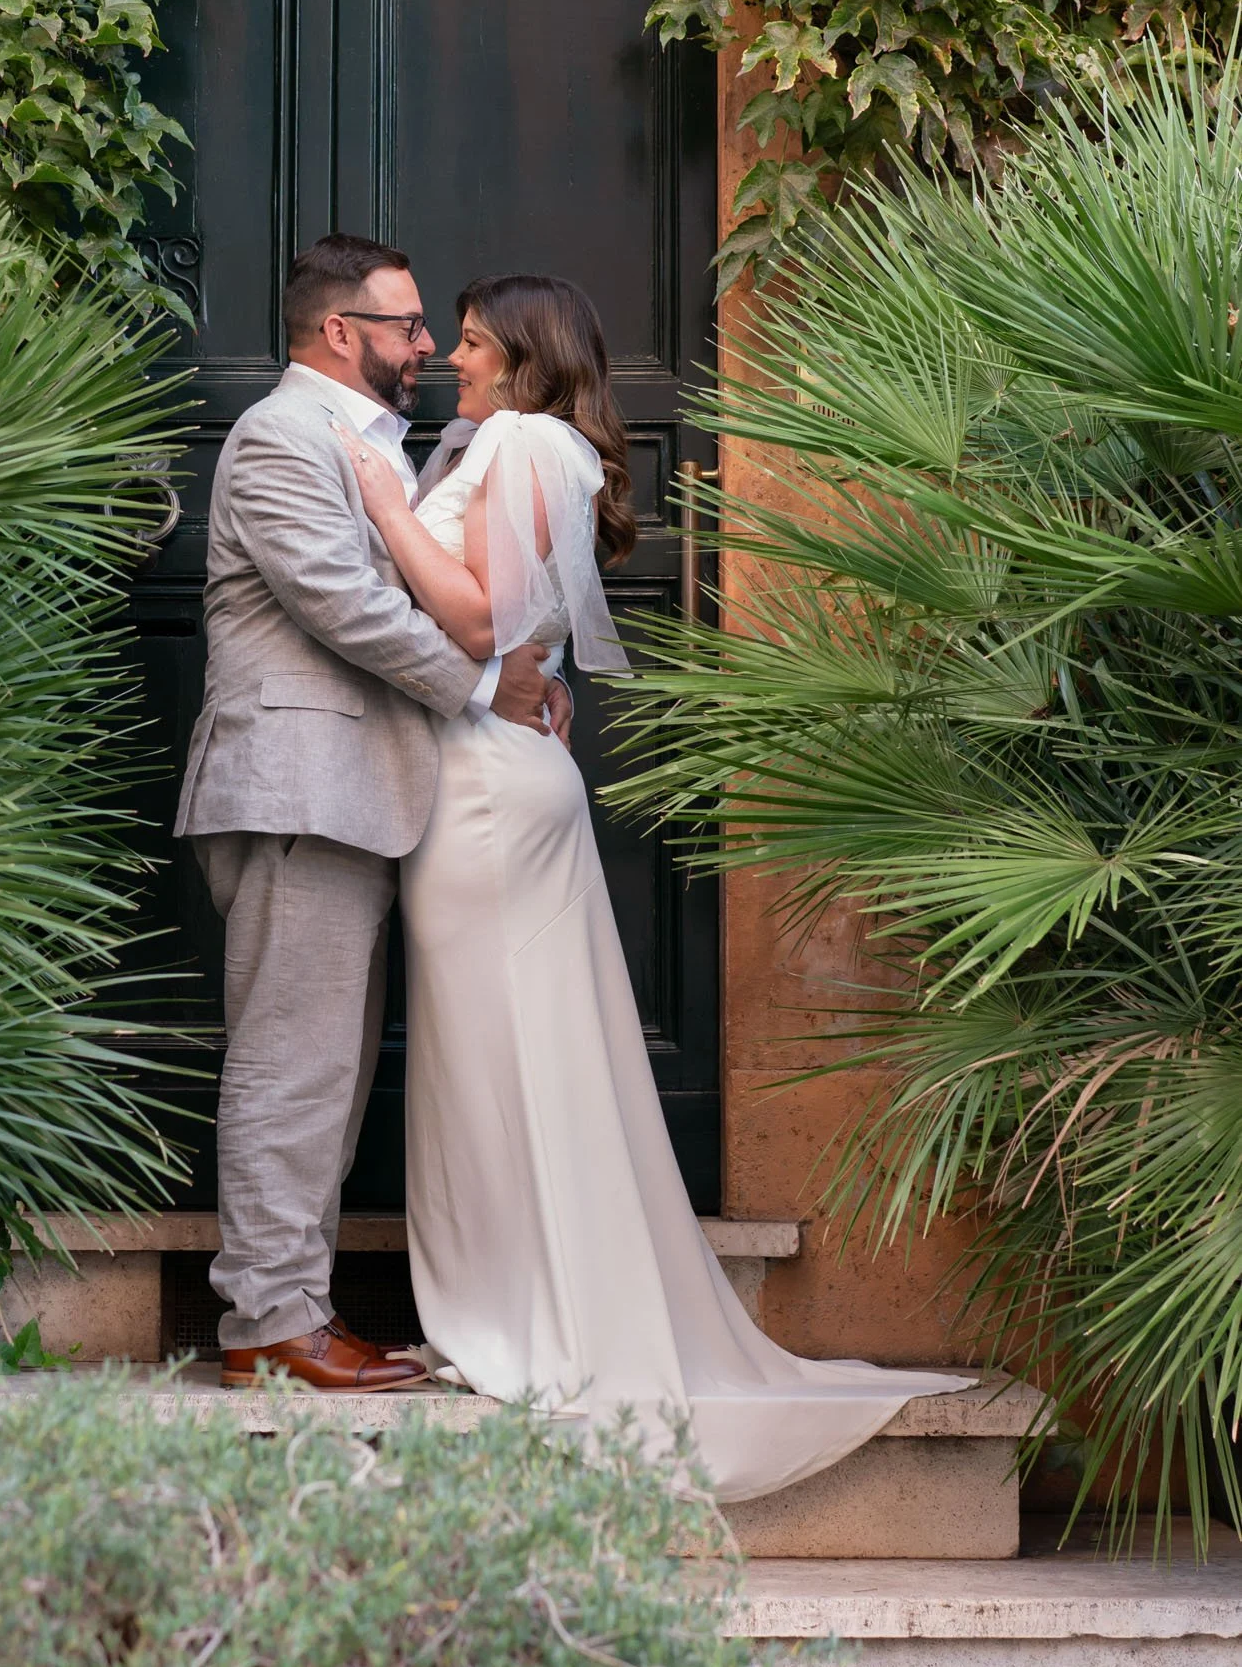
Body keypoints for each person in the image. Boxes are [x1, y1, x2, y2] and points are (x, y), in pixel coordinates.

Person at [336, 270, 970, 1502]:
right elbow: (524, 636)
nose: (451, 361)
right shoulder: (537, 444)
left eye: (469, 343)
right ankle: (521, 1307)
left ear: (522, 358)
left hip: (482, 792)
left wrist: (379, 501)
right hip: (500, 779)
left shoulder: (518, 440)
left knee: (493, 1062)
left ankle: (523, 1323)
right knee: (513, 1059)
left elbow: (477, 623)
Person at [173, 235, 572, 1392]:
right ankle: (267, 1323)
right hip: (296, 785)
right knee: (292, 1067)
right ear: (337, 332)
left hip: (357, 793)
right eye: (402, 325)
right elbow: (340, 604)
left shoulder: (387, 447)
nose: (424, 346)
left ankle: (291, 1310)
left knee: (331, 1070)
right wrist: (482, 685)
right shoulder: (278, 439)